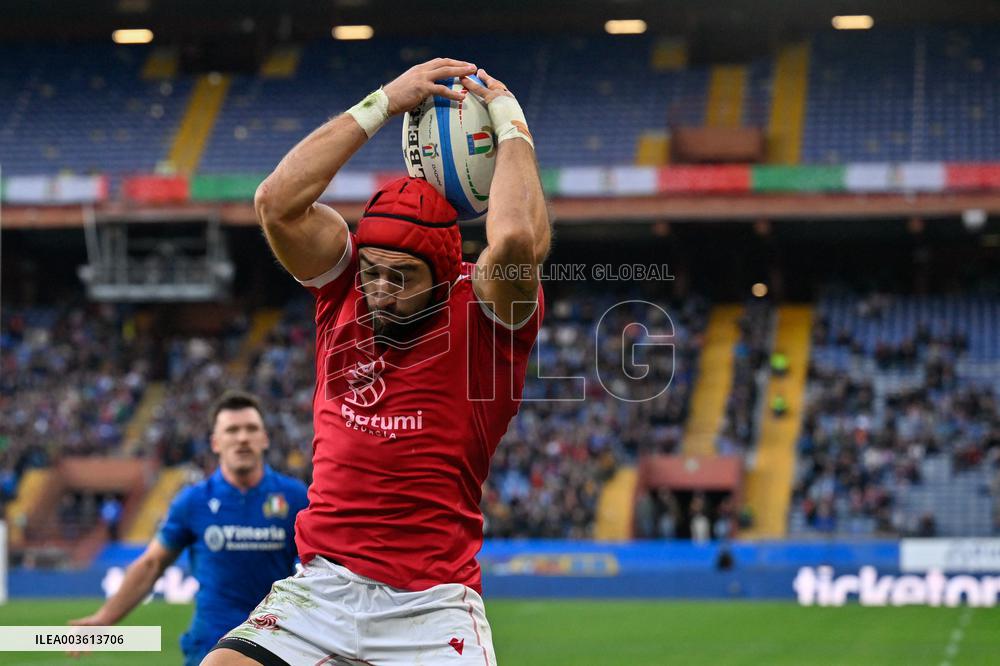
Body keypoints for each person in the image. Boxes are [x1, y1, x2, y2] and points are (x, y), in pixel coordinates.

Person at [205, 57, 549, 666]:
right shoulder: (342, 292)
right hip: (321, 590)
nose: (380, 288)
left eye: (402, 277)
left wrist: (511, 126)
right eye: (372, 270)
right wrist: (383, 102)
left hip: (431, 605)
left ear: (444, 278)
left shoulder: (486, 317)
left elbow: (517, 239)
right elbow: (276, 203)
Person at [70, 391, 308, 666]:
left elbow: (316, 567)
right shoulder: (193, 501)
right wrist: (104, 618)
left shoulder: (294, 497)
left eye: (251, 429)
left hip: (273, 645)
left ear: (264, 438)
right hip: (210, 647)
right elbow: (151, 564)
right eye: (232, 430)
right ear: (216, 443)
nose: (242, 437)